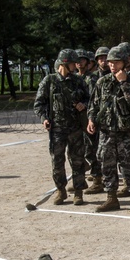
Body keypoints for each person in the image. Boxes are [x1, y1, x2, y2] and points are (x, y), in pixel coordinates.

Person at [87, 44, 130, 214]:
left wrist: (124, 83)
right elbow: (94, 104)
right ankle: (111, 198)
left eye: (115, 62)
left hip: (127, 132)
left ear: (124, 63)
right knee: (107, 166)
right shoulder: (102, 82)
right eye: (110, 62)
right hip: (106, 132)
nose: (111, 65)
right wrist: (91, 119)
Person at [33, 48, 90, 205]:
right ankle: (61, 190)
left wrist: (83, 105)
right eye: (73, 63)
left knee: (77, 161)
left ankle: (78, 192)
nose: (76, 65)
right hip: (57, 130)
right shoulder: (49, 81)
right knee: (57, 162)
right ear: (66, 63)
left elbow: (90, 99)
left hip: (75, 129)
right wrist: (44, 118)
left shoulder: (78, 81)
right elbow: (39, 104)